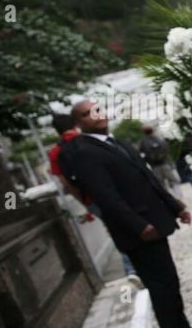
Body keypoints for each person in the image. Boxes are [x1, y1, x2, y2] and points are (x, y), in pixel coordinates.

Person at [58, 101, 192, 328]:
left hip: (153, 221)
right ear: (78, 123)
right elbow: (106, 197)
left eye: (97, 109)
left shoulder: (117, 142)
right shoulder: (84, 152)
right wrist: (138, 225)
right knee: (162, 287)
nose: (96, 114)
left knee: (169, 282)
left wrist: (175, 207)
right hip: (137, 231)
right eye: (86, 113)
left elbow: (148, 179)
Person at [48, 114, 142, 287]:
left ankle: (133, 269)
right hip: (115, 193)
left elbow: (66, 183)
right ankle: (135, 268)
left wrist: (86, 203)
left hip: (91, 199)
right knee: (132, 224)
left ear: (56, 130)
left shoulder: (55, 153)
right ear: (76, 124)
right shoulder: (90, 140)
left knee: (117, 230)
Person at [137, 125, 182, 198]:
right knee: (172, 180)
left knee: (162, 183)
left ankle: (170, 197)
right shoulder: (160, 139)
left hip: (154, 166)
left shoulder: (142, 142)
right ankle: (178, 195)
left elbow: (140, 154)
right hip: (164, 163)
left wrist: (147, 160)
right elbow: (167, 149)